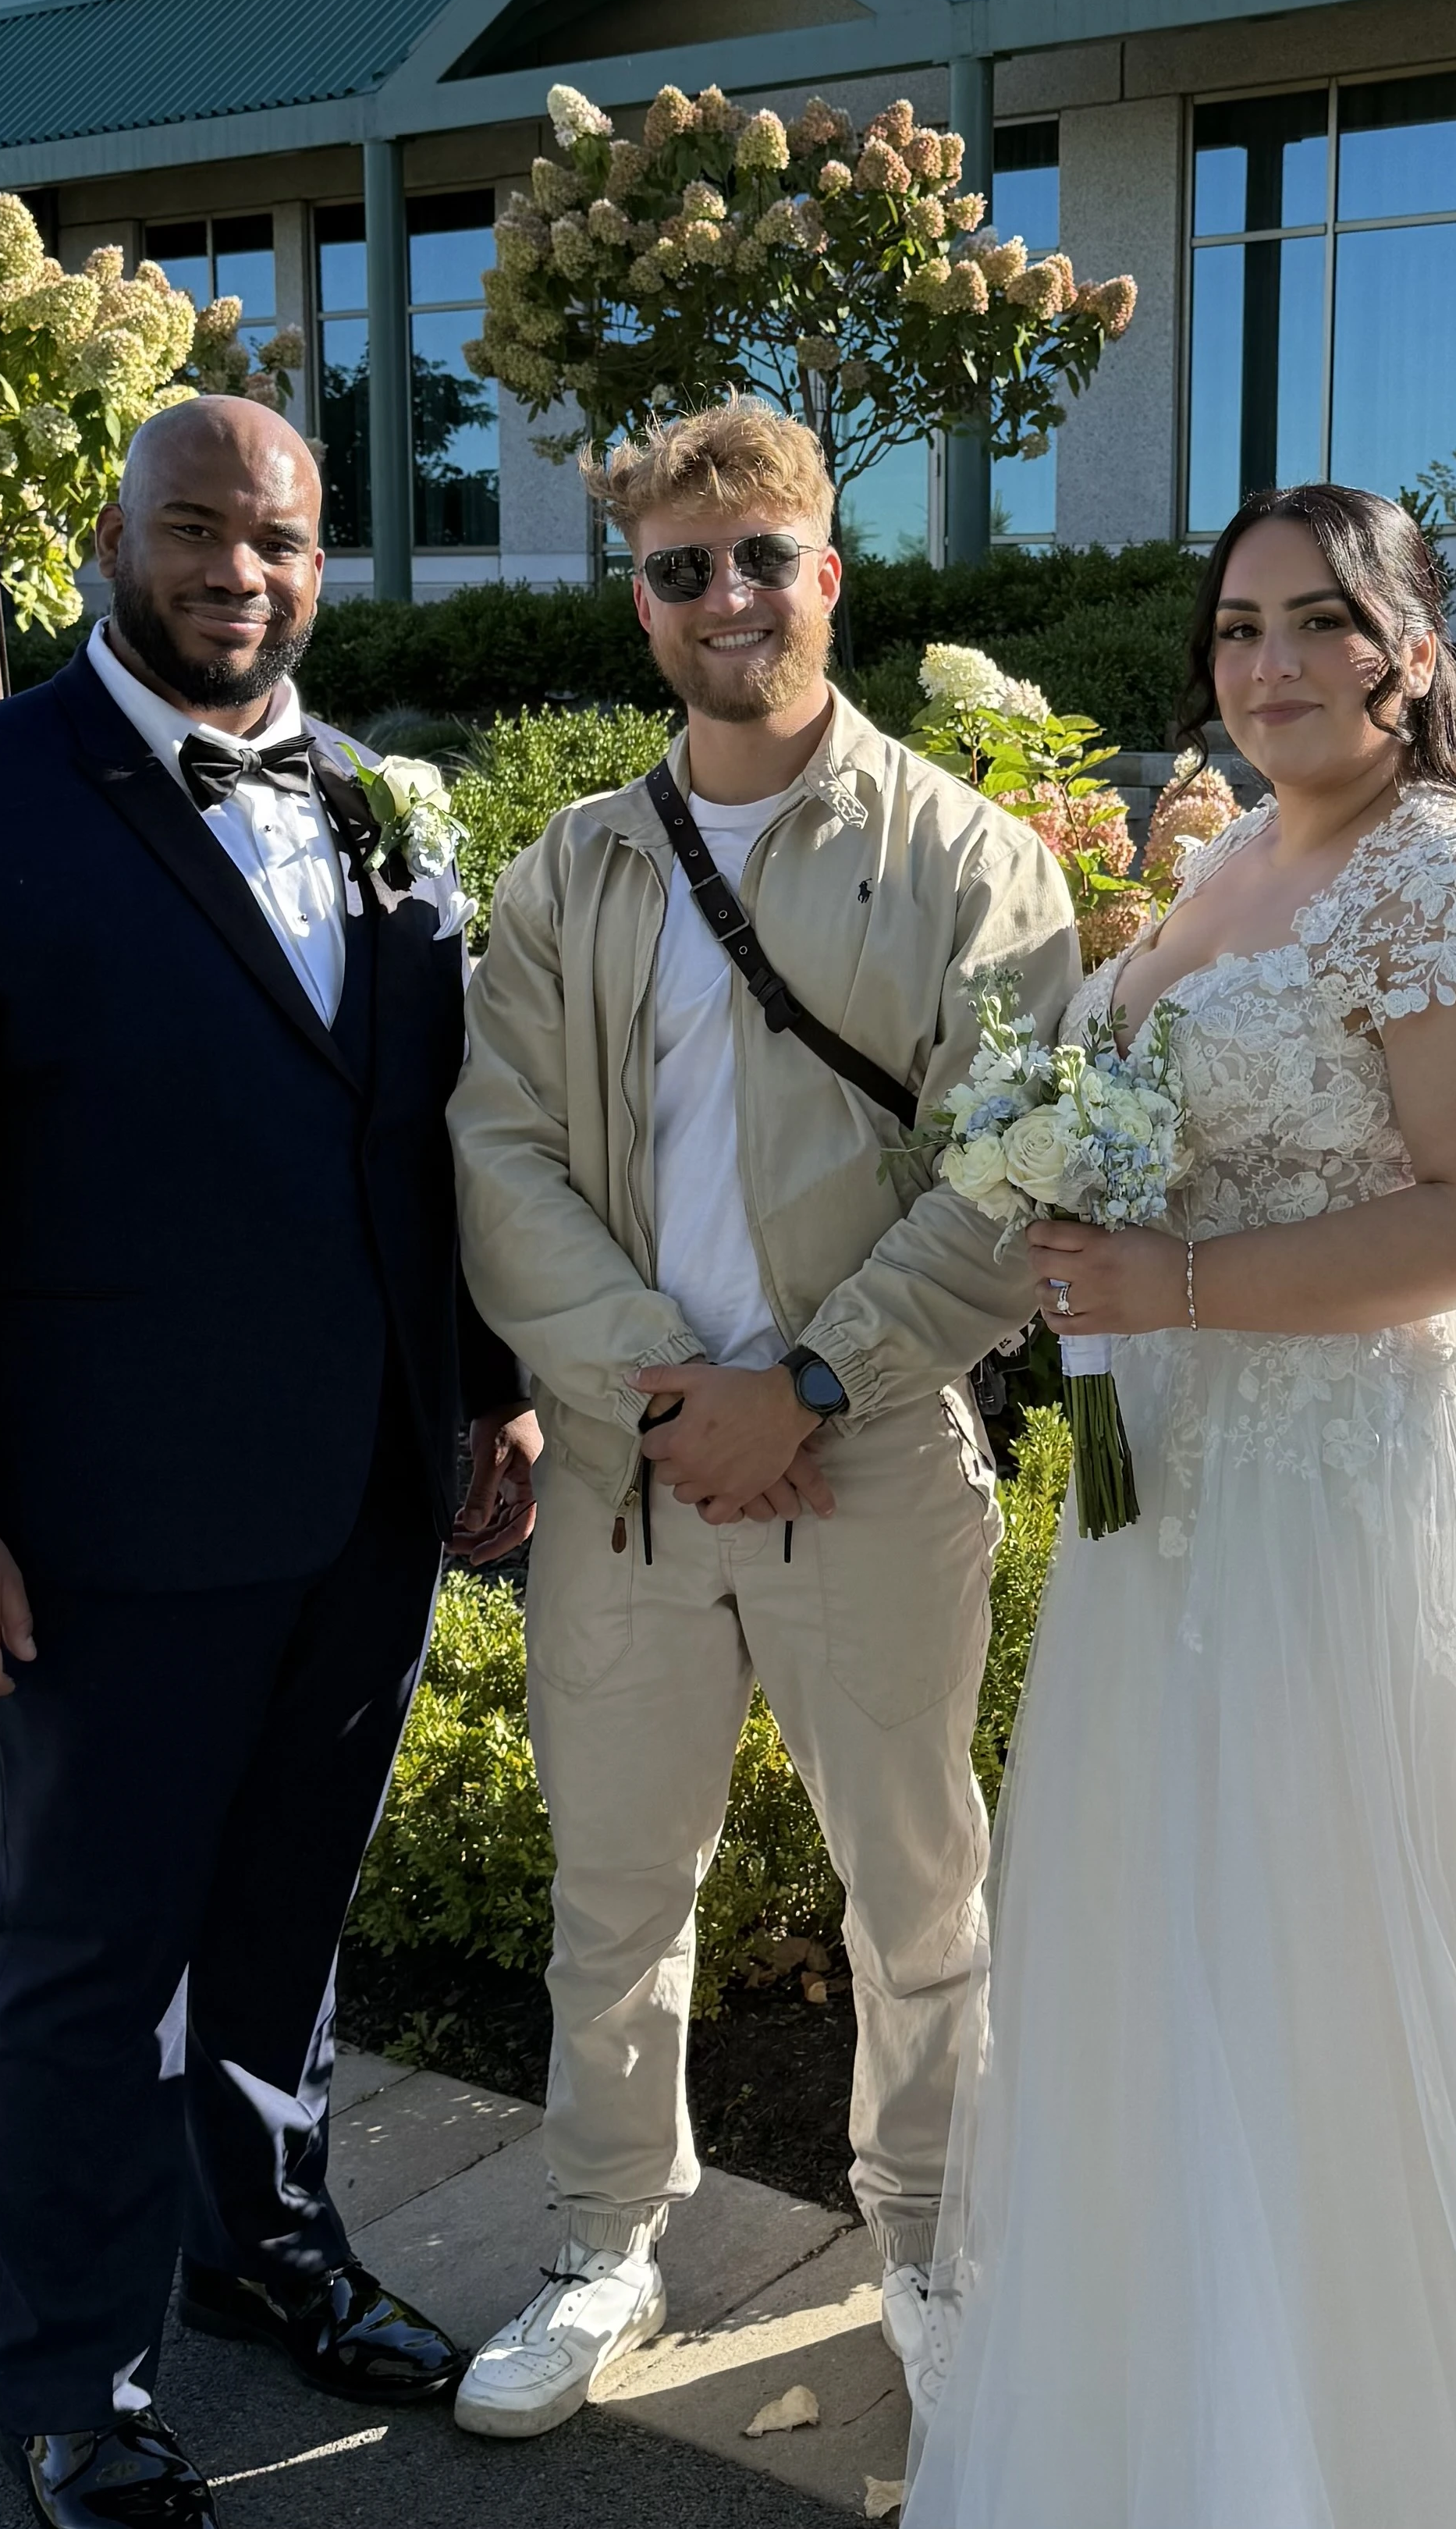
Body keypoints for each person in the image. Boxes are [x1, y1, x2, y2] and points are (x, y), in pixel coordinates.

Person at [907, 483, 1456, 2527]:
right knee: (1196, 1958)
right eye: (1239, 627)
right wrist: (1055, 1167)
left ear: (1415, 646)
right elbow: (1150, 1115)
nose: (1272, 662)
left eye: (1323, 620)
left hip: (1389, 1497)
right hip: (1186, 1497)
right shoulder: (1216, 858)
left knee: (1382, 1967)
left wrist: (1182, 1284)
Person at [0, 397, 538, 2529]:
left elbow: (427, 1142)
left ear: (325, 555)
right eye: (194, 529)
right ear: (109, 537)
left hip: (367, 1504)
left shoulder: (391, 806)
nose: (237, 571)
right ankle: (77, 2372)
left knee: (288, 1930)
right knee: (87, 1950)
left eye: (279, 537)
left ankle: (264, 2251)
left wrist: (491, 1392)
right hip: (94, 1529)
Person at [443, 396, 1081, 2439]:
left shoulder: (971, 862)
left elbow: (1016, 1169)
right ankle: (603, 2236)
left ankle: (929, 2241)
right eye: (678, 566)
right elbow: (499, 1152)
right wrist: (671, 1385)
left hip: (874, 1461)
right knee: (614, 1894)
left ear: (832, 567)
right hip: (634, 1479)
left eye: (761, 555)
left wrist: (805, 1380)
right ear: (638, 596)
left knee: (920, 1892)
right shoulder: (573, 870)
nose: (726, 595)